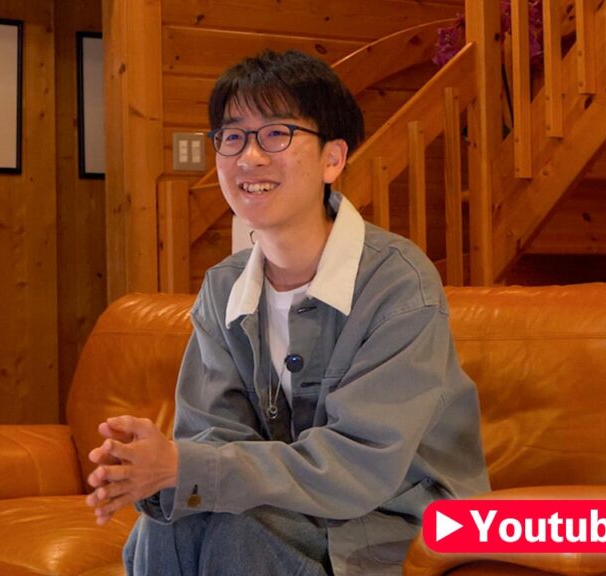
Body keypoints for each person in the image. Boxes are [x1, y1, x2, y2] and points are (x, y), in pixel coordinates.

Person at [85, 49, 489, 576]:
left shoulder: (398, 283)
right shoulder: (224, 287)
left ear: (332, 159)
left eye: (276, 133)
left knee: (238, 528)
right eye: (232, 137)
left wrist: (187, 466)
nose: (249, 157)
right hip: (284, 515)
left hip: (396, 519)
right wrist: (148, 472)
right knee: (170, 522)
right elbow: (210, 436)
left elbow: (361, 464)